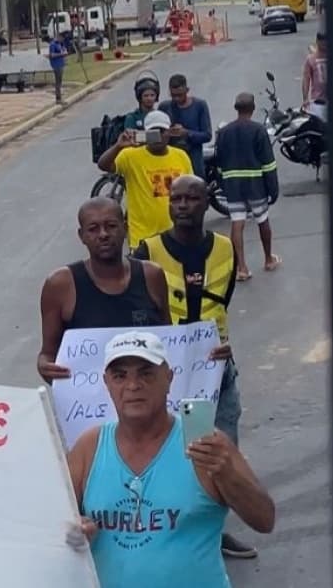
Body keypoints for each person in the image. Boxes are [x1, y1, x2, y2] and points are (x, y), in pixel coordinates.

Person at [66, 331, 275, 587]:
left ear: (168, 378)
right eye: (120, 376)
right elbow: (49, 524)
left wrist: (228, 474)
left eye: (146, 373)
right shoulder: (90, 447)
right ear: (107, 383)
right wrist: (74, 531)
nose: (133, 385)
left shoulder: (206, 445)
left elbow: (265, 519)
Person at [133, 175, 257, 558]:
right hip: (165, 374)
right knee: (160, 452)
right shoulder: (147, 251)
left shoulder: (225, 248)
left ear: (207, 203)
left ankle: (212, 532)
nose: (183, 205)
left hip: (216, 373)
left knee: (218, 452)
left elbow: (222, 305)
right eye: (177, 198)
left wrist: (222, 345)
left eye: (192, 198)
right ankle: (155, 528)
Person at [37, 197, 170, 383]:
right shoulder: (60, 285)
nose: (103, 234)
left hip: (147, 399)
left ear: (125, 228)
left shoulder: (151, 275)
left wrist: (208, 353)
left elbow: (170, 344)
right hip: (89, 405)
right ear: (81, 236)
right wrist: (46, 367)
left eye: (111, 226)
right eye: (93, 229)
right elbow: (47, 354)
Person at [98, 110, 194, 251]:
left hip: (176, 235)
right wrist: (118, 146)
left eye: (162, 131)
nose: (158, 136)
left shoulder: (181, 156)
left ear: (169, 132)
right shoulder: (130, 156)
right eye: (152, 132)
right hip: (143, 238)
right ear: (144, 133)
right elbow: (104, 165)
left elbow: (191, 189)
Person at [214, 92, 281, 281]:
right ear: (252, 109)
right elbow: (268, 163)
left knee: (237, 222)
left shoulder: (224, 132)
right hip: (255, 183)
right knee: (262, 219)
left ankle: (241, 267)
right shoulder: (258, 130)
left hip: (233, 184)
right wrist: (272, 189)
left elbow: (219, 162)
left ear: (236, 108)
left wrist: (223, 184)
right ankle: (268, 259)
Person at [158, 74, 213, 179]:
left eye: (180, 95)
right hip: (171, 156)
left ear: (187, 90)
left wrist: (186, 133)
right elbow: (158, 133)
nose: (177, 99)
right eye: (173, 96)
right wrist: (168, 133)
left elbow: (207, 135)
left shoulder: (199, 105)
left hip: (193, 155)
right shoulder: (165, 107)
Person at [302, 32, 327, 116]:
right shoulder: (311, 59)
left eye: (325, 41)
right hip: (317, 102)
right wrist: (305, 99)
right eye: (322, 41)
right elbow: (306, 79)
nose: (324, 44)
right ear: (317, 41)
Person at [46, 32, 67, 104]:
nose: (62, 40)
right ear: (59, 37)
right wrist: (61, 54)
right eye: (62, 38)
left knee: (60, 82)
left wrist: (64, 53)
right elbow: (52, 55)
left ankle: (60, 97)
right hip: (56, 65)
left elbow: (64, 50)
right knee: (58, 82)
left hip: (61, 64)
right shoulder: (53, 44)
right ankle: (58, 98)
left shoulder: (60, 44)